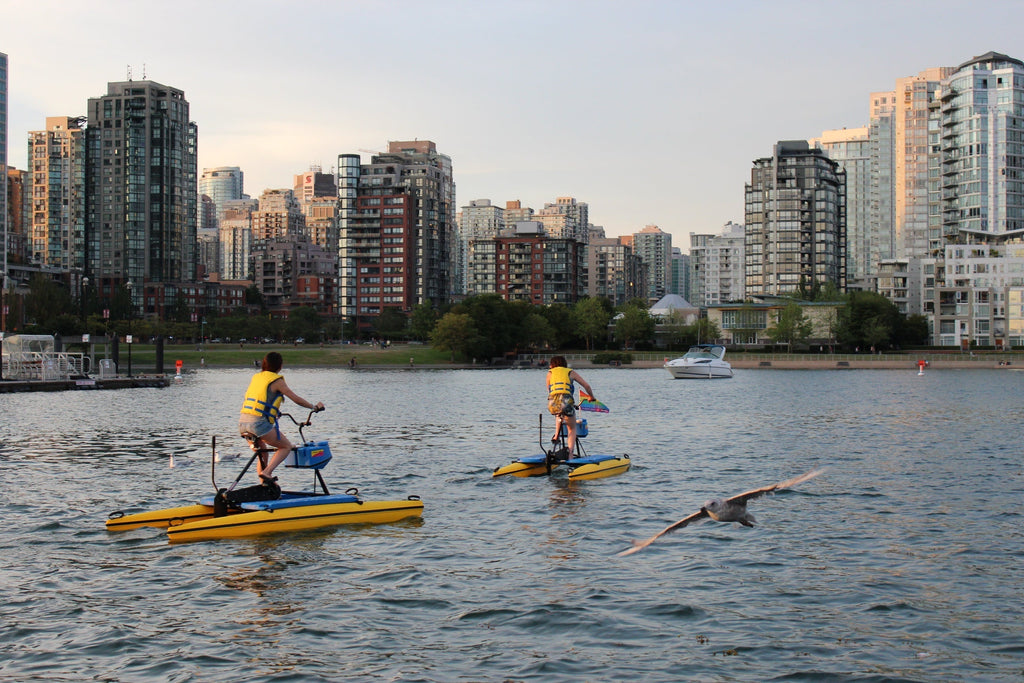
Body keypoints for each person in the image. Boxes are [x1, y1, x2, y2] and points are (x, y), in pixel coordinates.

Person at [239, 352, 324, 485]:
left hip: (243, 424)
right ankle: (267, 473)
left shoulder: (257, 377)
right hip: (258, 424)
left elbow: (260, 399)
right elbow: (296, 399)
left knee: (263, 453)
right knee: (286, 446)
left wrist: (274, 412)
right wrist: (314, 407)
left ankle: (264, 486)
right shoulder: (277, 381)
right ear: (280, 366)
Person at [546, 356, 595, 459]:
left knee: (558, 413)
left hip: (552, 402)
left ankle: (556, 435)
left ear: (552, 365)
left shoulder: (550, 373)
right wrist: (591, 396)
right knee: (572, 428)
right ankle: (570, 455)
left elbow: (549, 389)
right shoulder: (570, 372)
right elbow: (586, 386)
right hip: (566, 402)